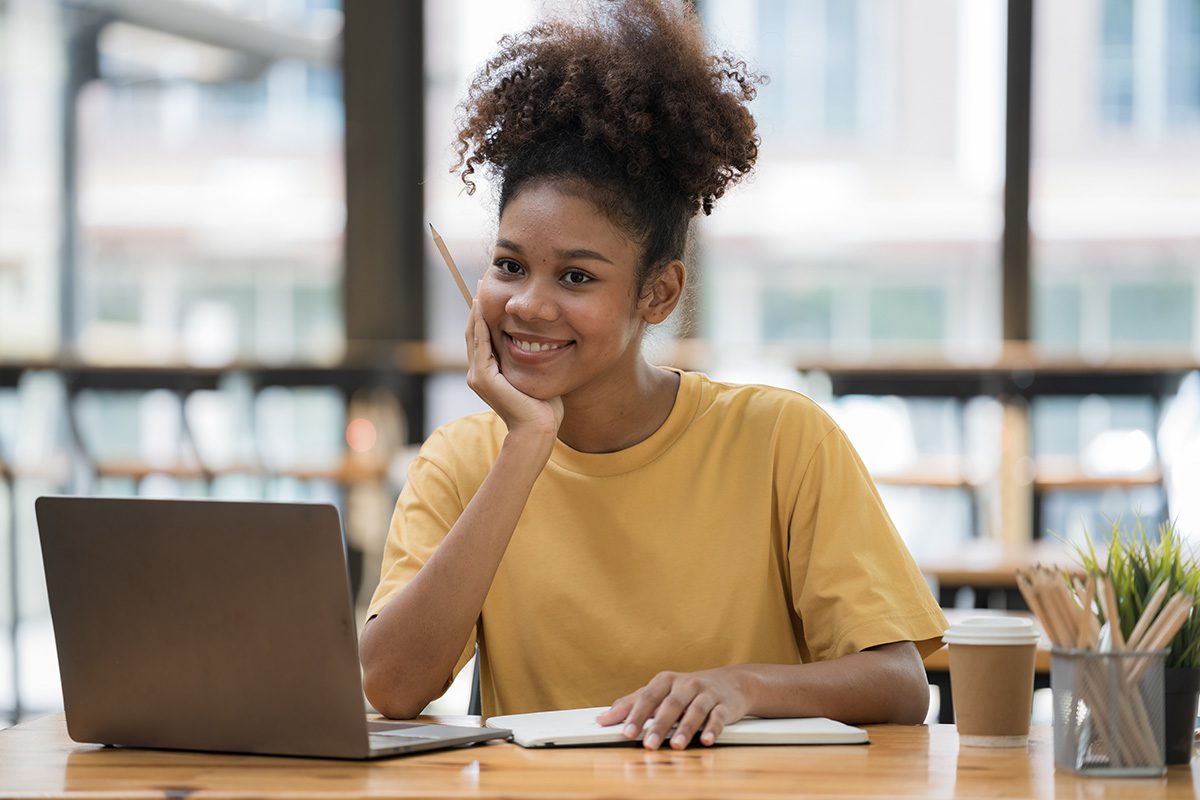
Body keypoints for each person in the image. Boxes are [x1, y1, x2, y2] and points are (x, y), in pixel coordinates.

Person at [360, 0, 948, 751]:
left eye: (576, 277)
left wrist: (746, 686)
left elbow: (901, 685)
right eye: (509, 265)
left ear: (657, 293)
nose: (529, 305)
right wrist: (525, 447)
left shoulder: (780, 438)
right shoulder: (461, 460)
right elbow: (391, 687)